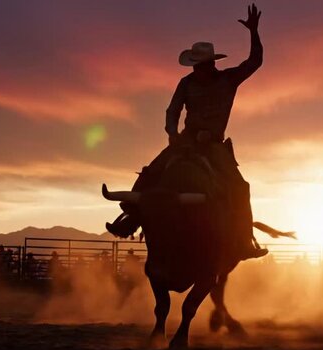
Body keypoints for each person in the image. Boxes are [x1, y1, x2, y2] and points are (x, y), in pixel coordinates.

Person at [106, 4, 267, 260]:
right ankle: (130, 218)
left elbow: (255, 62)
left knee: (240, 187)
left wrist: (254, 32)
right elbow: (172, 111)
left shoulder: (228, 79)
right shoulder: (186, 83)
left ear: (209, 64)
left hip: (214, 143)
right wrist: (172, 133)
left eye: (199, 65)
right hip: (186, 141)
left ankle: (243, 239)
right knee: (151, 172)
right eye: (194, 65)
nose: (196, 69)